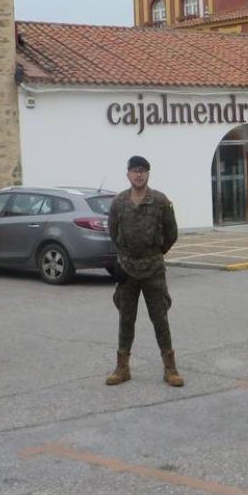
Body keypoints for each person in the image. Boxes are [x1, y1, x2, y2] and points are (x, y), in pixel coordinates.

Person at [104, 155, 182, 387]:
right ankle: (122, 367)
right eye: (134, 170)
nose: (138, 174)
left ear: (148, 174)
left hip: (153, 269)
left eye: (142, 171)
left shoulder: (160, 201)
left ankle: (170, 368)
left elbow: (172, 233)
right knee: (126, 318)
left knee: (160, 318)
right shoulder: (118, 202)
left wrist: (156, 253)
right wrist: (126, 256)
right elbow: (113, 232)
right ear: (128, 174)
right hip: (127, 270)